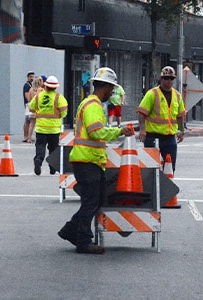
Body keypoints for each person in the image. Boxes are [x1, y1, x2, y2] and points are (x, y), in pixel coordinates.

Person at [58, 67, 134, 254]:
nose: (112, 92)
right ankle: (83, 241)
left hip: (90, 160)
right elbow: (96, 132)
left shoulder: (92, 104)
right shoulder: (92, 105)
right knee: (91, 201)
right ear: (106, 87)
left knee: (95, 200)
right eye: (112, 89)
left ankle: (70, 230)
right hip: (87, 161)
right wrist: (119, 131)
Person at [137, 66, 186, 171]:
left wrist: (181, 130)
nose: (169, 81)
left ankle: (167, 185)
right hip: (152, 136)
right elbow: (142, 112)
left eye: (171, 78)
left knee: (170, 166)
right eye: (166, 78)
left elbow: (180, 115)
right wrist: (142, 129)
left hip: (169, 137)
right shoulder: (152, 94)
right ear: (161, 79)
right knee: (150, 166)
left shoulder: (177, 95)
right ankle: (152, 186)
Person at [29, 75, 68, 176]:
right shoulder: (59, 97)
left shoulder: (39, 96)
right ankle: (52, 167)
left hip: (41, 128)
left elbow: (31, 108)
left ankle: (38, 160)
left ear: (46, 86)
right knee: (53, 148)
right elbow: (64, 112)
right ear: (55, 87)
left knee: (40, 146)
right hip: (54, 129)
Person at [25, 76, 45, 143]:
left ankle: (29, 138)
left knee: (32, 124)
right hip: (39, 109)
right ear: (40, 82)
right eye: (42, 81)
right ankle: (39, 138)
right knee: (40, 125)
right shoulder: (42, 90)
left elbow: (29, 99)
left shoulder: (31, 89)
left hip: (32, 108)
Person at [23, 71, 35, 142]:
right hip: (28, 104)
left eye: (33, 77)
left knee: (29, 120)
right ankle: (25, 136)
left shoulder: (30, 85)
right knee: (27, 120)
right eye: (30, 77)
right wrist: (31, 102)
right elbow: (27, 95)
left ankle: (27, 136)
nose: (32, 78)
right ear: (28, 77)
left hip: (29, 104)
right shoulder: (27, 85)